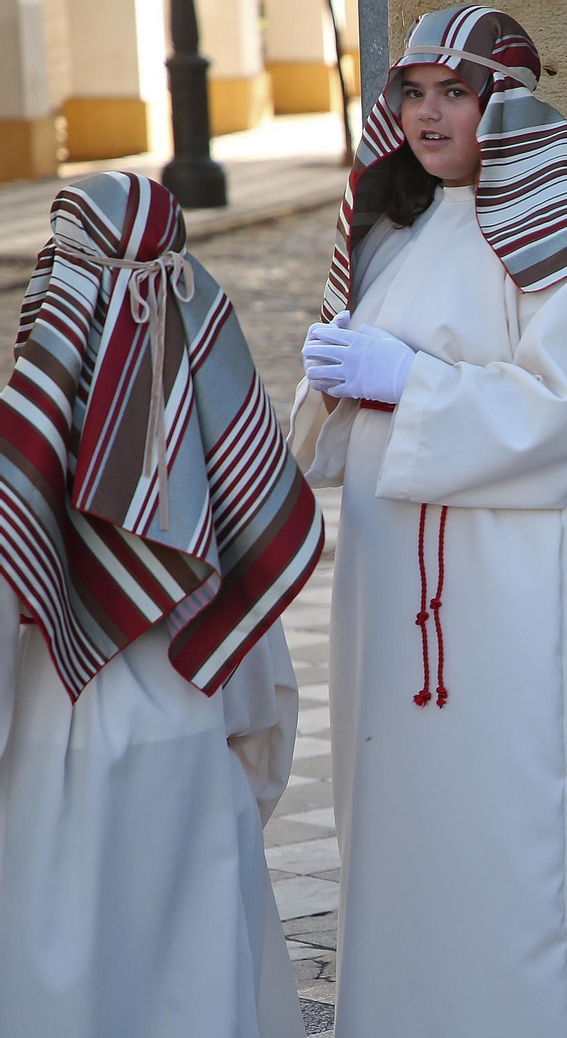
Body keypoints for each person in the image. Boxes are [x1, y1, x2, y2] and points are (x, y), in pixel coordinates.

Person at [288, 6, 567, 1036]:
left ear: (507, 105)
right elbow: (337, 425)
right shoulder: (390, 231)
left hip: (516, 575)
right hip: (392, 576)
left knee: (517, 815)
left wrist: (415, 382)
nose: (429, 114)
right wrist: (333, 383)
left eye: (456, 92)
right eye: (413, 93)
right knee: (399, 812)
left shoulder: (564, 234)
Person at [0, 171, 323, 1038]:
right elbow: (261, 688)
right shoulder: (216, 458)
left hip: (52, 772)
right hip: (193, 756)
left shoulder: (19, 465)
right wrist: (243, 789)